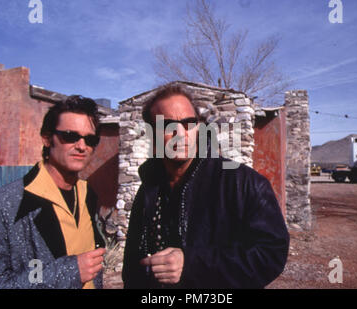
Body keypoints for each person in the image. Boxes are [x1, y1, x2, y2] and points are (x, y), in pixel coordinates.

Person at [122, 84, 290, 288]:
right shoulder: (150, 185)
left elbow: (271, 254)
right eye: (166, 125)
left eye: (189, 123)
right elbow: (133, 262)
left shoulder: (243, 183)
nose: (180, 134)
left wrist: (192, 265)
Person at [0, 96, 106, 289]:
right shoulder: (2, 206)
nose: (81, 146)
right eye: (70, 136)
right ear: (47, 138)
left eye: (90, 139)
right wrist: (68, 271)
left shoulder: (88, 194)